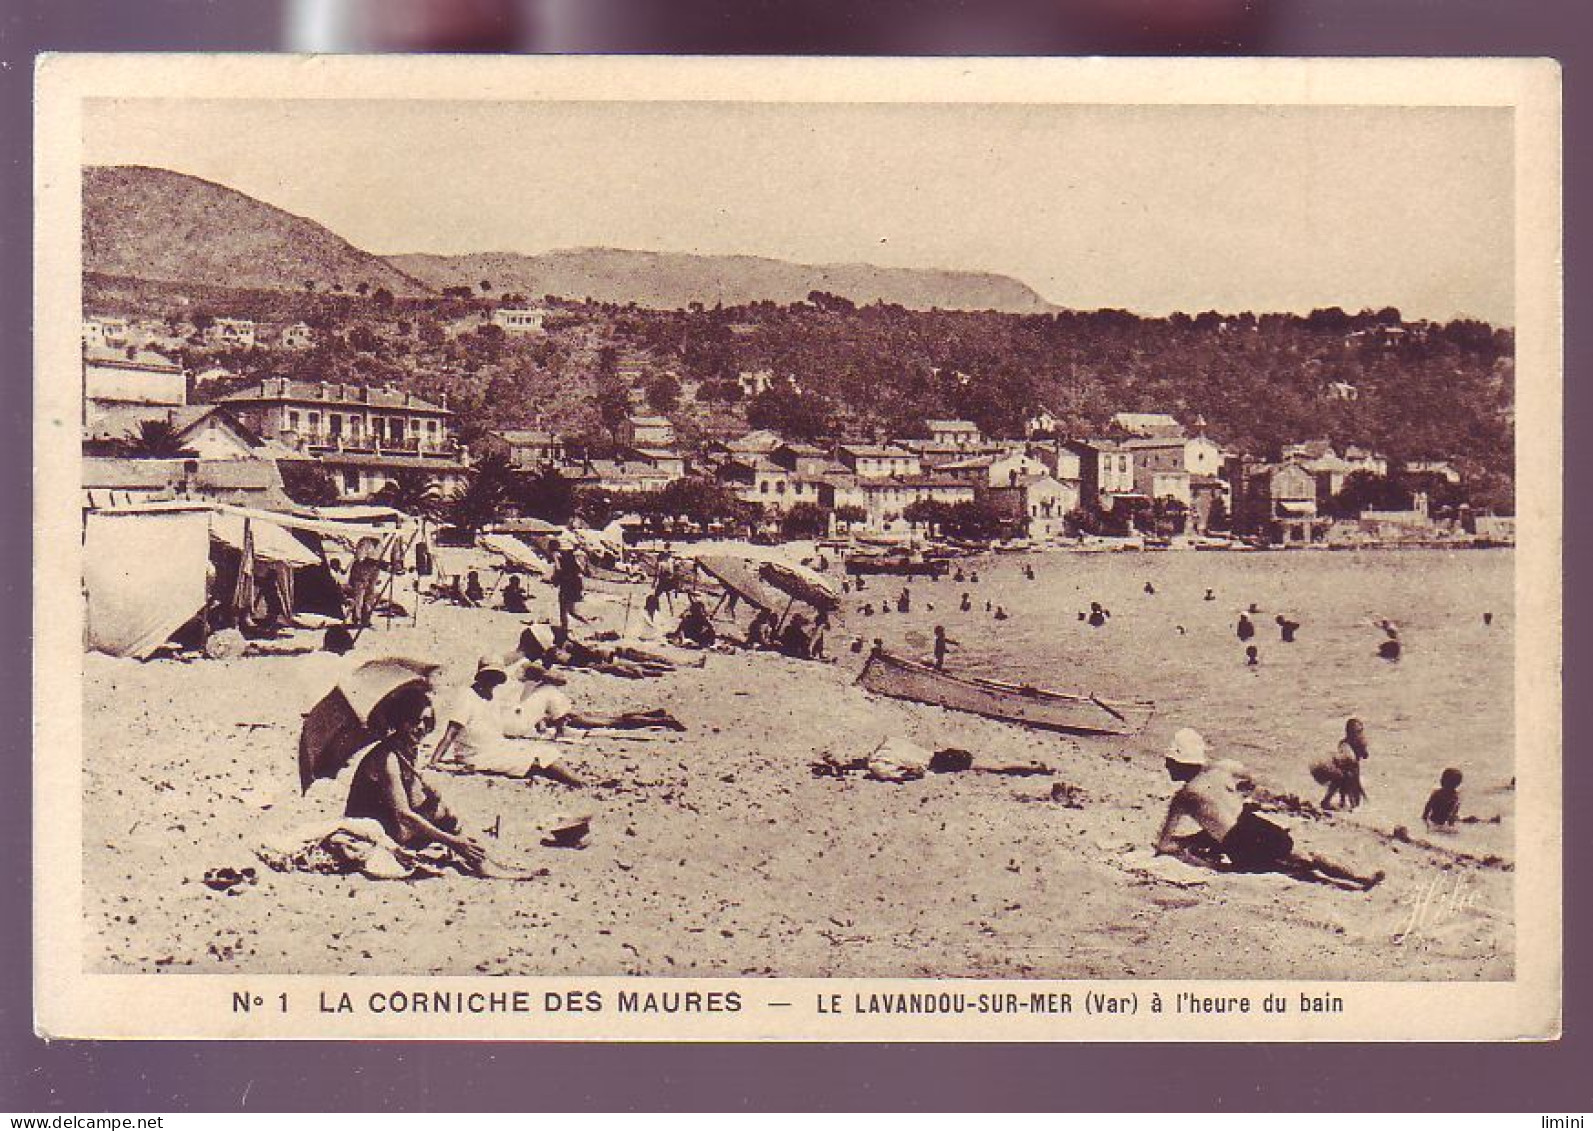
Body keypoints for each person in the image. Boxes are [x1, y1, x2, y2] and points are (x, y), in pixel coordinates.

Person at [1153, 728, 1382, 891]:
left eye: (1170, 762)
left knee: (1295, 866)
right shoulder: (1223, 768)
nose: (1166, 766)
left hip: (1236, 844)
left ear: (1180, 763)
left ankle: (1350, 881)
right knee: (1307, 857)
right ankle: (1360, 876)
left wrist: (1187, 848)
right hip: (1252, 823)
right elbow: (1251, 780)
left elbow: (1165, 844)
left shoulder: (1183, 797)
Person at [343, 685, 488, 874]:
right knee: (443, 817)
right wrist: (453, 842)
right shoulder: (388, 757)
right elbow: (404, 813)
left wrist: (430, 794)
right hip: (372, 828)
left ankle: (480, 860)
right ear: (400, 721)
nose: (420, 728)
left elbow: (413, 799)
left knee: (442, 810)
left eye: (426, 721)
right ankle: (478, 861)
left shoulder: (407, 750)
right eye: (413, 721)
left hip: (391, 822)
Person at [429, 657, 582, 785]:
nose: (493, 681)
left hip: (496, 747)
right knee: (541, 757)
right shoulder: (467, 697)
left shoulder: (492, 695)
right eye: (490, 676)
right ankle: (581, 783)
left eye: (496, 677)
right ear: (481, 676)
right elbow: (451, 733)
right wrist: (434, 761)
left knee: (545, 752)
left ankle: (581, 781)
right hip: (477, 756)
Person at [1311, 718, 1370, 811]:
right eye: (1355, 732)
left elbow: (1365, 755)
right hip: (1331, 768)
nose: (1358, 734)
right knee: (1345, 780)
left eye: (1360, 731)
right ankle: (1333, 803)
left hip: (1343, 768)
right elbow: (1349, 772)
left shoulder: (1360, 742)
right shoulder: (1345, 746)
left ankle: (1344, 804)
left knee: (1349, 782)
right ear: (1348, 733)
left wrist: (1363, 750)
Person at [551, 542, 586, 632]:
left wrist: (555, 580)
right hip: (576, 584)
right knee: (571, 610)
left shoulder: (556, 555)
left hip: (566, 585)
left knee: (563, 609)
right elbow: (580, 570)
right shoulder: (570, 556)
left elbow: (558, 569)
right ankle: (586, 622)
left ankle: (564, 628)